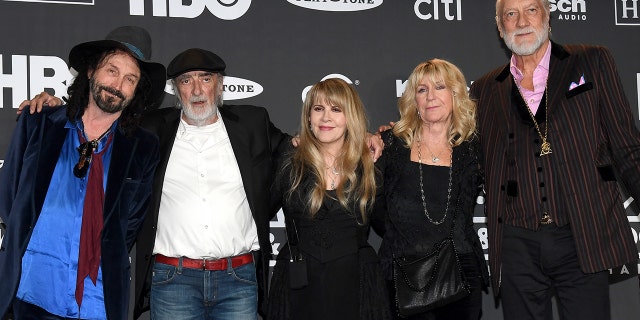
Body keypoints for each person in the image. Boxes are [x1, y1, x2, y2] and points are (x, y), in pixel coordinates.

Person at [20, 49, 384, 320]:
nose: (197, 89)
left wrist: (365, 136)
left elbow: (306, 143)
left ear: (220, 86)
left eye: (206, 79)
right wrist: (54, 105)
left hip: (239, 279)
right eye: (186, 80)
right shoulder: (150, 130)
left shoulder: (253, 123)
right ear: (174, 90)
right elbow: (100, 116)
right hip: (172, 279)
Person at [469, 0, 640, 319]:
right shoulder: (484, 89)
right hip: (516, 243)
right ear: (499, 25)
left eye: (530, 10)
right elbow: (474, 165)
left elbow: (627, 147)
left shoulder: (591, 60)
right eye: (510, 14)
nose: (521, 21)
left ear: (547, 16)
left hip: (583, 236)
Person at [0, 30, 165, 319]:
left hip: (97, 300)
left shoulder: (144, 148)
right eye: (112, 71)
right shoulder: (39, 122)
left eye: (130, 79)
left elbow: (130, 224)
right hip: (31, 290)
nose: (118, 85)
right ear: (91, 71)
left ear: (136, 90)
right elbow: (9, 197)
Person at [267, 78, 391, 320]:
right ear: (309, 116)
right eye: (318, 109)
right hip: (298, 286)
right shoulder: (289, 160)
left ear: (350, 117)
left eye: (336, 109)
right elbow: (259, 210)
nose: (325, 118)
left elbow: (386, 224)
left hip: (357, 285)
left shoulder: (371, 163)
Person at [373, 59, 488, 319]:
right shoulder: (390, 146)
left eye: (440, 87)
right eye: (422, 90)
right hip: (402, 275)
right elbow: (376, 210)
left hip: (462, 276)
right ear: (414, 100)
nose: (431, 97)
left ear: (456, 94)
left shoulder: (473, 150)